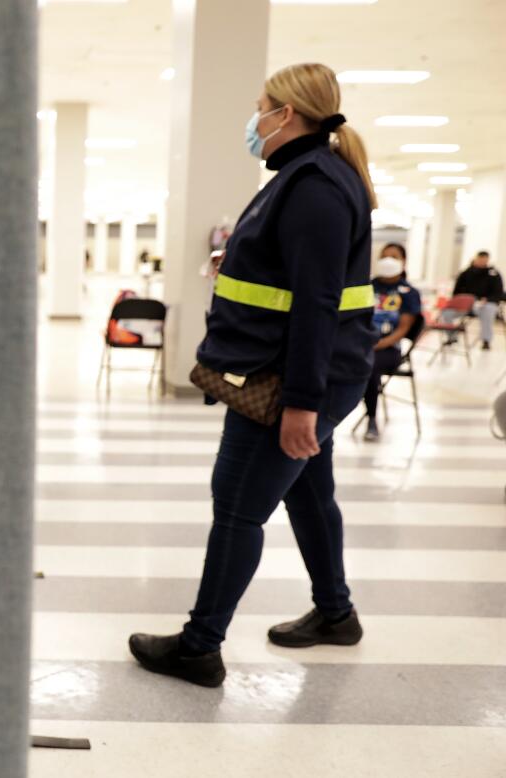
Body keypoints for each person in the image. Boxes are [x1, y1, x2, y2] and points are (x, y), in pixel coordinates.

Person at [128, 63, 378, 687]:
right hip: (312, 371)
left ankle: (199, 646)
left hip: (289, 379)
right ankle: (335, 612)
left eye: (260, 105)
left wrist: (300, 405)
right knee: (308, 490)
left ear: (286, 114)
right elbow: (297, 279)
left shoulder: (314, 184)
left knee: (238, 506)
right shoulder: (305, 176)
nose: (255, 117)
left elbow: (319, 301)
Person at [363, 244, 422, 442]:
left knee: (368, 366)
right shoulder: (367, 286)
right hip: (363, 345)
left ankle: (371, 419)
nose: (388, 260)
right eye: (384, 256)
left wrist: (378, 344)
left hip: (389, 350)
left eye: (394, 257)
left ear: (403, 261)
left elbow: (403, 329)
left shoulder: (408, 293)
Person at [444, 251, 503, 349]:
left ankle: (486, 340)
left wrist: (487, 299)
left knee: (489, 310)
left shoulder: (494, 274)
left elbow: (498, 293)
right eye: (480, 259)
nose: (482, 262)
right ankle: (452, 337)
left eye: (484, 260)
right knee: (446, 313)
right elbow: (456, 293)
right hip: (466, 304)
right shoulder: (465, 273)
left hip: (485, 304)